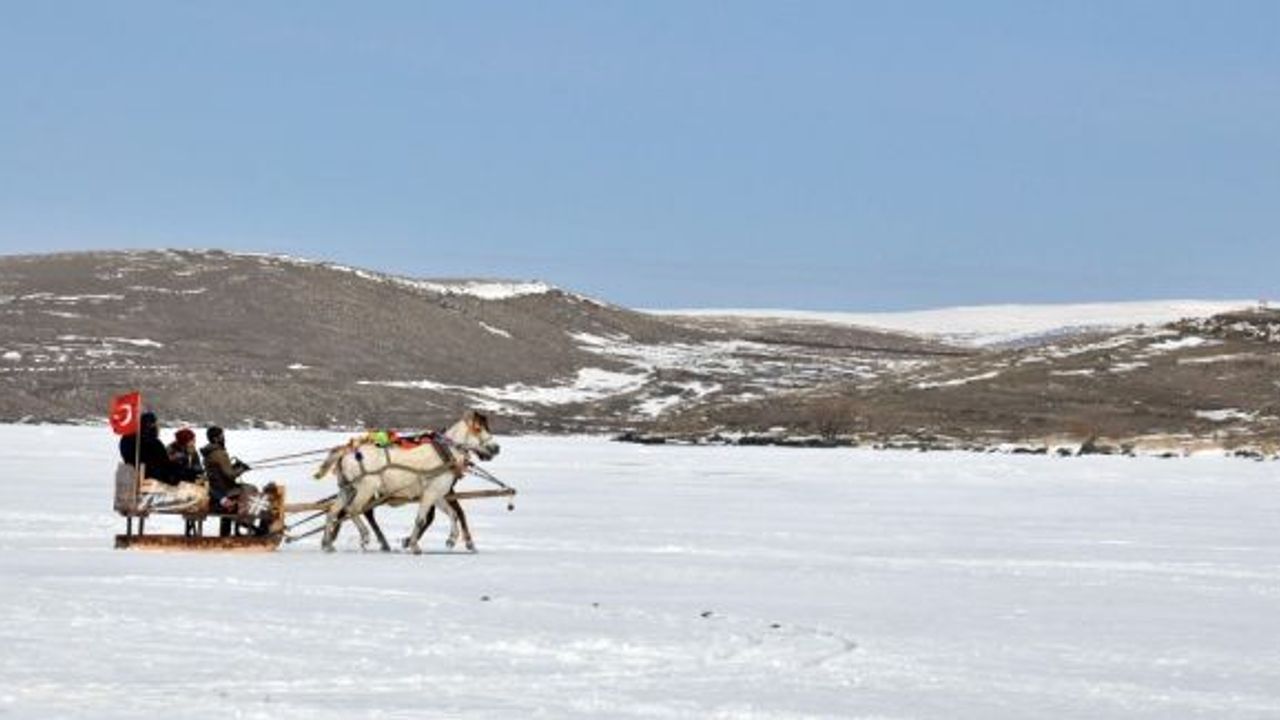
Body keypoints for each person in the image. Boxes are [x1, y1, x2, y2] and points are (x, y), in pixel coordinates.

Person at [200, 426, 259, 536]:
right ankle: (245, 522)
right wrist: (242, 469)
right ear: (216, 438)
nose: (224, 438)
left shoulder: (210, 451)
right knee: (251, 489)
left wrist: (236, 466)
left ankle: (228, 531)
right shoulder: (219, 453)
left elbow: (222, 471)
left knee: (247, 488)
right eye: (222, 436)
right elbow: (230, 475)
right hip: (224, 488)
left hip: (216, 486)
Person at [118, 412, 179, 485]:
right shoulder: (152, 442)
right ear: (151, 425)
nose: (159, 428)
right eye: (157, 424)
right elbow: (165, 464)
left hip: (132, 475)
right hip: (153, 478)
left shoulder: (126, 439)